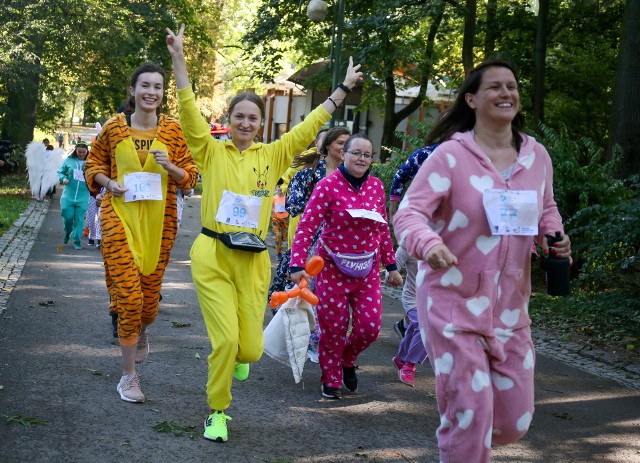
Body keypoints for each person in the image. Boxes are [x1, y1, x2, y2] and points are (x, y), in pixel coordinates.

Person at [166, 23, 362, 443]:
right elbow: (188, 114)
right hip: (213, 254)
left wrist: (341, 90)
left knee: (249, 349)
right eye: (239, 116)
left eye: (252, 118)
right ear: (229, 120)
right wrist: (179, 60)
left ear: (260, 123)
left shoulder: (273, 155)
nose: (245, 122)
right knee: (224, 343)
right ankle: (217, 411)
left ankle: (239, 356)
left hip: (253, 260)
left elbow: (309, 127)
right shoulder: (210, 150)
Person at [393, 59, 572, 463]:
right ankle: (463, 438)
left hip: (511, 306)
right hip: (451, 302)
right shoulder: (450, 157)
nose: (506, 93)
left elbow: (547, 208)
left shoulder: (536, 156)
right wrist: (427, 243)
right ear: (472, 99)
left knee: (513, 421)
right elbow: (408, 214)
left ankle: (466, 435)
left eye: (512, 86)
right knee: (470, 411)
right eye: (495, 87)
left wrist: (553, 237)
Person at [85, 62, 199, 404]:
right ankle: (128, 376)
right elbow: (93, 165)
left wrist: (171, 167)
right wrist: (109, 183)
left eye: (158, 87)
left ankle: (141, 329)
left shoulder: (174, 132)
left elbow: (191, 177)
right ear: (133, 91)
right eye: (145, 86)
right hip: (118, 218)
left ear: (163, 94)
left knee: (148, 307)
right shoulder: (114, 128)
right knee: (130, 300)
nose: (151, 92)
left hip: (159, 225)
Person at [289, 134, 403, 400]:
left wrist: (391, 265)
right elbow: (306, 227)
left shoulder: (376, 186)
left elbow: (382, 229)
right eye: (356, 153)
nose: (362, 159)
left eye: (367, 154)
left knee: (370, 328)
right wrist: (297, 263)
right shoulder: (327, 186)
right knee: (333, 328)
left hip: (368, 270)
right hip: (332, 268)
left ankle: (347, 358)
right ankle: (331, 380)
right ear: (344, 154)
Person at [388, 143, 440, 339]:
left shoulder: (478, 153)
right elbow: (400, 176)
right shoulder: (426, 154)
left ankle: (410, 325)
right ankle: (414, 329)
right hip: (424, 219)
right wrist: (393, 210)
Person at [390, 244, 428, 387]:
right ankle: (409, 366)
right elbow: (394, 264)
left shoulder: (447, 239)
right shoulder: (410, 242)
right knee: (423, 326)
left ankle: (401, 359)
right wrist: (392, 275)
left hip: (435, 299)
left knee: (416, 327)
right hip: (413, 298)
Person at [57, 142, 90, 249]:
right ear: (75, 151)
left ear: (87, 151)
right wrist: (63, 178)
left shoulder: (90, 162)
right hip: (68, 195)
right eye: (79, 152)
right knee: (68, 217)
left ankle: (76, 241)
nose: (81, 154)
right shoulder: (69, 161)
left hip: (84, 196)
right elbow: (60, 172)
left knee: (80, 219)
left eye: (83, 152)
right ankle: (67, 232)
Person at [271, 180, 289, 261]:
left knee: (284, 237)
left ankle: (279, 244)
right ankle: (278, 253)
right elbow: (271, 208)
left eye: (282, 186)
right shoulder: (274, 198)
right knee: (278, 235)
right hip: (276, 220)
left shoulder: (287, 197)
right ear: (276, 188)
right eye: (279, 186)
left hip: (285, 220)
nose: (280, 188)